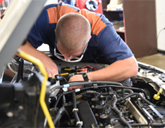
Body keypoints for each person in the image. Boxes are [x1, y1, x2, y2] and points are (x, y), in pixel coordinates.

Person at [19, 3, 138, 89]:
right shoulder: (47, 17)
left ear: (89, 40)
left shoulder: (102, 30)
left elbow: (131, 66)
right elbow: (11, 43)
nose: (67, 59)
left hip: (97, 69)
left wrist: (87, 78)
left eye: (73, 56)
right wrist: (43, 59)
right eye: (63, 53)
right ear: (55, 32)